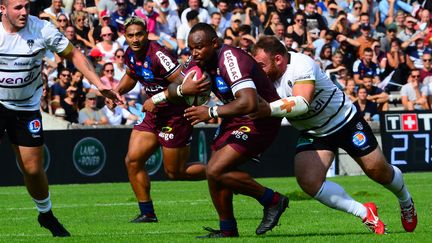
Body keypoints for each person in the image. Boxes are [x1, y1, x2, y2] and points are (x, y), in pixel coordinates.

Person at [251, 36, 418, 234]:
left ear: (278, 59)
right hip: (314, 131)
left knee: (377, 171)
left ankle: (405, 200)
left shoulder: (302, 64)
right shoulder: (263, 77)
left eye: (261, 65)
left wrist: (267, 109)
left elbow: (301, 102)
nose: (258, 70)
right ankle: (365, 213)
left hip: (344, 121)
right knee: (309, 181)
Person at [0, 0, 120, 237]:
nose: (24, 12)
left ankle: (45, 215)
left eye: (27, 6)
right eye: (18, 7)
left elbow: (74, 54)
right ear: (2, 9)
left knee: (33, 169)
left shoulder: (42, 29)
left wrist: (99, 84)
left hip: (26, 107)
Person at [178, 23, 288, 238]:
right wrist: (183, 88)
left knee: (214, 170)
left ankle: (273, 200)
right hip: (234, 118)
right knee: (215, 173)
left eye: (199, 47)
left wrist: (210, 112)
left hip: (259, 119)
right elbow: (174, 84)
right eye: (191, 48)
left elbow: (249, 103)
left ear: (214, 43)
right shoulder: (198, 60)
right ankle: (228, 229)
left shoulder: (230, 59)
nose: (194, 53)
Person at [108, 16, 206, 223]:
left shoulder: (159, 55)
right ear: (125, 36)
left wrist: (158, 98)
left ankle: (223, 173)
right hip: (153, 115)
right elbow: (131, 75)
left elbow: (185, 86)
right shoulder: (130, 53)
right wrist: (116, 92)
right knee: (132, 161)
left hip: (175, 116)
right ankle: (147, 213)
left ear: (146, 34)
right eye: (131, 35)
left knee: (175, 172)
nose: (135, 39)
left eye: (139, 34)